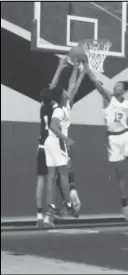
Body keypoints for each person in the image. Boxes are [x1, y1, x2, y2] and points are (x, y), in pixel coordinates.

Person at [86, 66, 128, 222]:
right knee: (120, 174)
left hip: (125, 136)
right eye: (115, 85)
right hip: (113, 139)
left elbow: (126, 120)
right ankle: (125, 206)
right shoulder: (108, 97)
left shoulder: (126, 103)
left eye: (119, 86)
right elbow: (95, 81)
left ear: (123, 90)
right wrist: (86, 67)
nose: (115, 87)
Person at [43, 60, 86, 227]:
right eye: (65, 93)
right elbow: (72, 88)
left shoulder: (55, 106)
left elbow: (72, 86)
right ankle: (69, 204)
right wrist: (66, 139)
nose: (68, 93)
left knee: (52, 178)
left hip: (50, 142)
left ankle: (51, 210)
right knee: (63, 176)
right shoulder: (61, 110)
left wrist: (77, 70)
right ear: (62, 98)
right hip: (59, 142)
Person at [36, 57, 68, 227]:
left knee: (41, 181)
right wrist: (61, 68)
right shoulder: (56, 109)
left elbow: (50, 89)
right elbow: (53, 88)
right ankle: (49, 217)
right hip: (51, 146)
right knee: (51, 179)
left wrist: (59, 68)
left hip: (40, 146)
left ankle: (39, 216)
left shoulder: (42, 108)